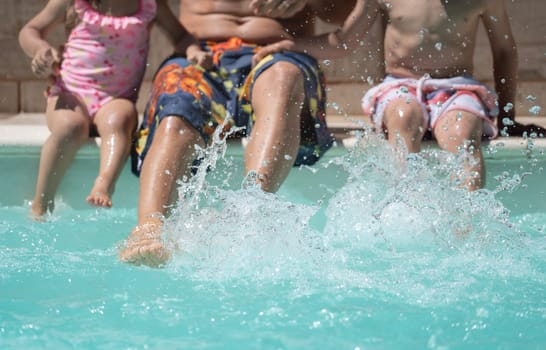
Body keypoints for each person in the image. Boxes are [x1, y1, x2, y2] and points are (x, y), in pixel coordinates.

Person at [118, 0, 355, 267]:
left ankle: (249, 211)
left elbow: (344, 15)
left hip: (279, 51)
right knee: (177, 105)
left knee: (284, 78)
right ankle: (150, 227)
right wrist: (181, 38)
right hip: (199, 53)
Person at [254, 0, 544, 191]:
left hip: (457, 89)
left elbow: (505, 50)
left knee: (462, 132)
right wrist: (291, 46)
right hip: (400, 86)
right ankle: (405, 210)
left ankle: (467, 227)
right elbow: (343, 43)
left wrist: (507, 117)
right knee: (405, 117)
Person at [18, 0, 210, 219]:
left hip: (115, 98)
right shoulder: (73, 2)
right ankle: (41, 202)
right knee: (69, 126)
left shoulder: (149, 5)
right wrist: (39, 49)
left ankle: (104, 183)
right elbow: (30, 30)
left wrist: (193, 50)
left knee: (120, 119)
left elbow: (181, 36)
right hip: (70, 91)